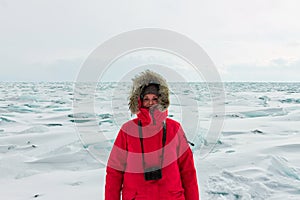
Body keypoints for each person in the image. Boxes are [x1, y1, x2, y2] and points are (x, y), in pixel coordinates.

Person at [105, 70, 199, 200]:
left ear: (162, 100)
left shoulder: (174, 128)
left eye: (155, 99)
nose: (150, 103)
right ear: (139, 101)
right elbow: (114, 172)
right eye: (146, 99)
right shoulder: (127, 130)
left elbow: (188, 171)